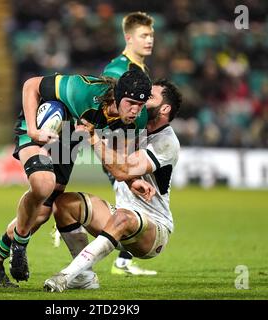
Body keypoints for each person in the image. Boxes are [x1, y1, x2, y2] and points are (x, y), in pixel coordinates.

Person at [0, 69, 152, 287]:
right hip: (43, 124)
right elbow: (31, 84)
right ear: (117, 95)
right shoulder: (82, 90)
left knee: (41, 214)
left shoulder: (138, 120)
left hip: (68, 140)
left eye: (141, 105)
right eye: (130, 103)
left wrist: (130, 180)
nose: (135, 110)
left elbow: (118, 162)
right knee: (43, 184)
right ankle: (20, 245)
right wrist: (32, 130)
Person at [43, 79, 182, 292]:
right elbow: (113, 163)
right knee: (63, 204)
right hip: (120, 218)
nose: (142, 99)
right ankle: (85, 278)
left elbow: (120, 170)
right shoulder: (131, 127)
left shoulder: (166, 141)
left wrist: (94, 139)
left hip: (154, 229)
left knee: (123, 216)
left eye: (150, 97)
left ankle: (68, 275)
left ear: (165, 108)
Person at [103, 11, 158, 276]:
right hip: (118, 146)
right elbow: (110, 113)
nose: (149, 40)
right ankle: (75, 226)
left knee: (136, 204)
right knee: (130, 205)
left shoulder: (140, 70)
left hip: (133, 145)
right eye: (143, 35)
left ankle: (122, 260)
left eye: (151, 35)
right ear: (129, 37)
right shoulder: (117, 70)